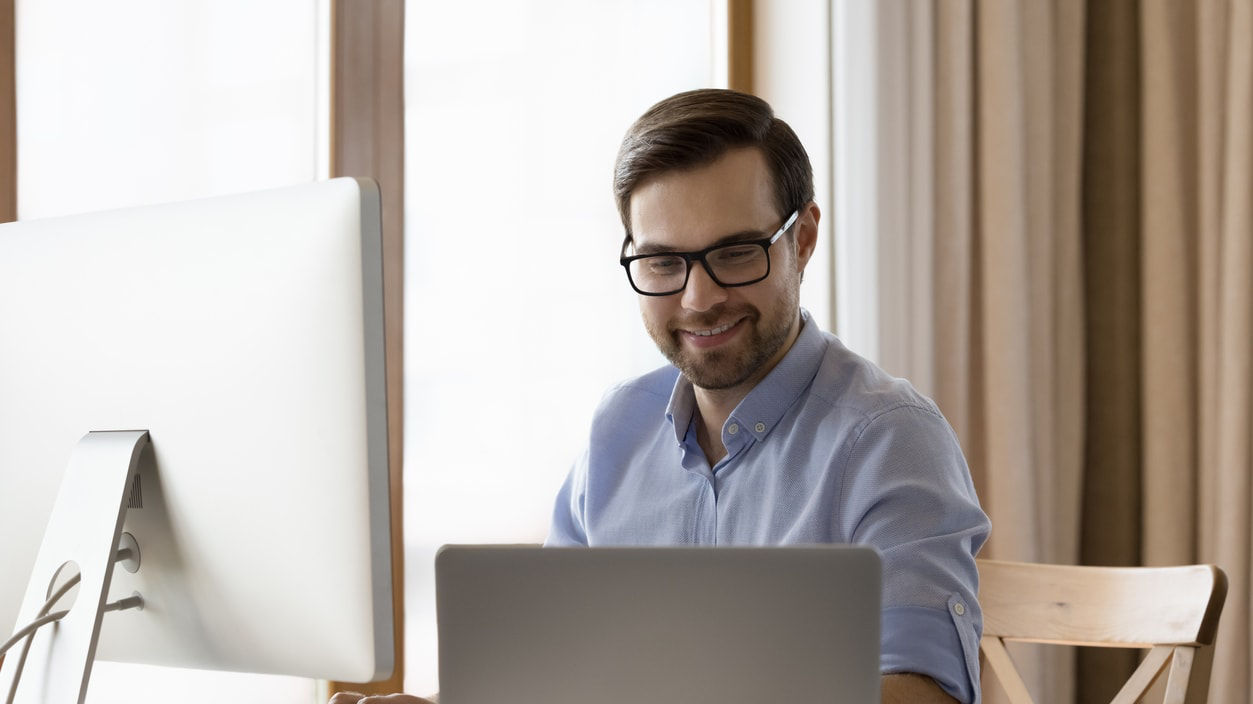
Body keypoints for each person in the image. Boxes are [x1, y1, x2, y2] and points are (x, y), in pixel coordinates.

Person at [331, 89, 990, 704]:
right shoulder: (618, 431)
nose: (698, 299)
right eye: (662, 263)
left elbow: (925, 694)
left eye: (734, 253)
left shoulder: (887, 438)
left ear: (804, 238)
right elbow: (554, 673)